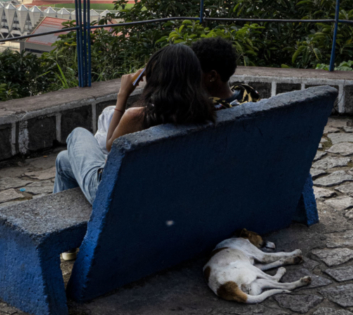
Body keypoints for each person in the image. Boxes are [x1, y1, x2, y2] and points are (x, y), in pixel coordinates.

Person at [53, 44, 215, 207]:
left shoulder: (138, 117)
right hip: (161, 186)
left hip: (110, 192)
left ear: (156, 79)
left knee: (78, 133)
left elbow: (110, 145)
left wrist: (123, 94)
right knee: (63, 159)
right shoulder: (204, 113)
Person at [191, 37, 259, 109]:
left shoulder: (202, 109)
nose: (190, 75)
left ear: (212, 76)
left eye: (194, 71)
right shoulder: (250, 95)